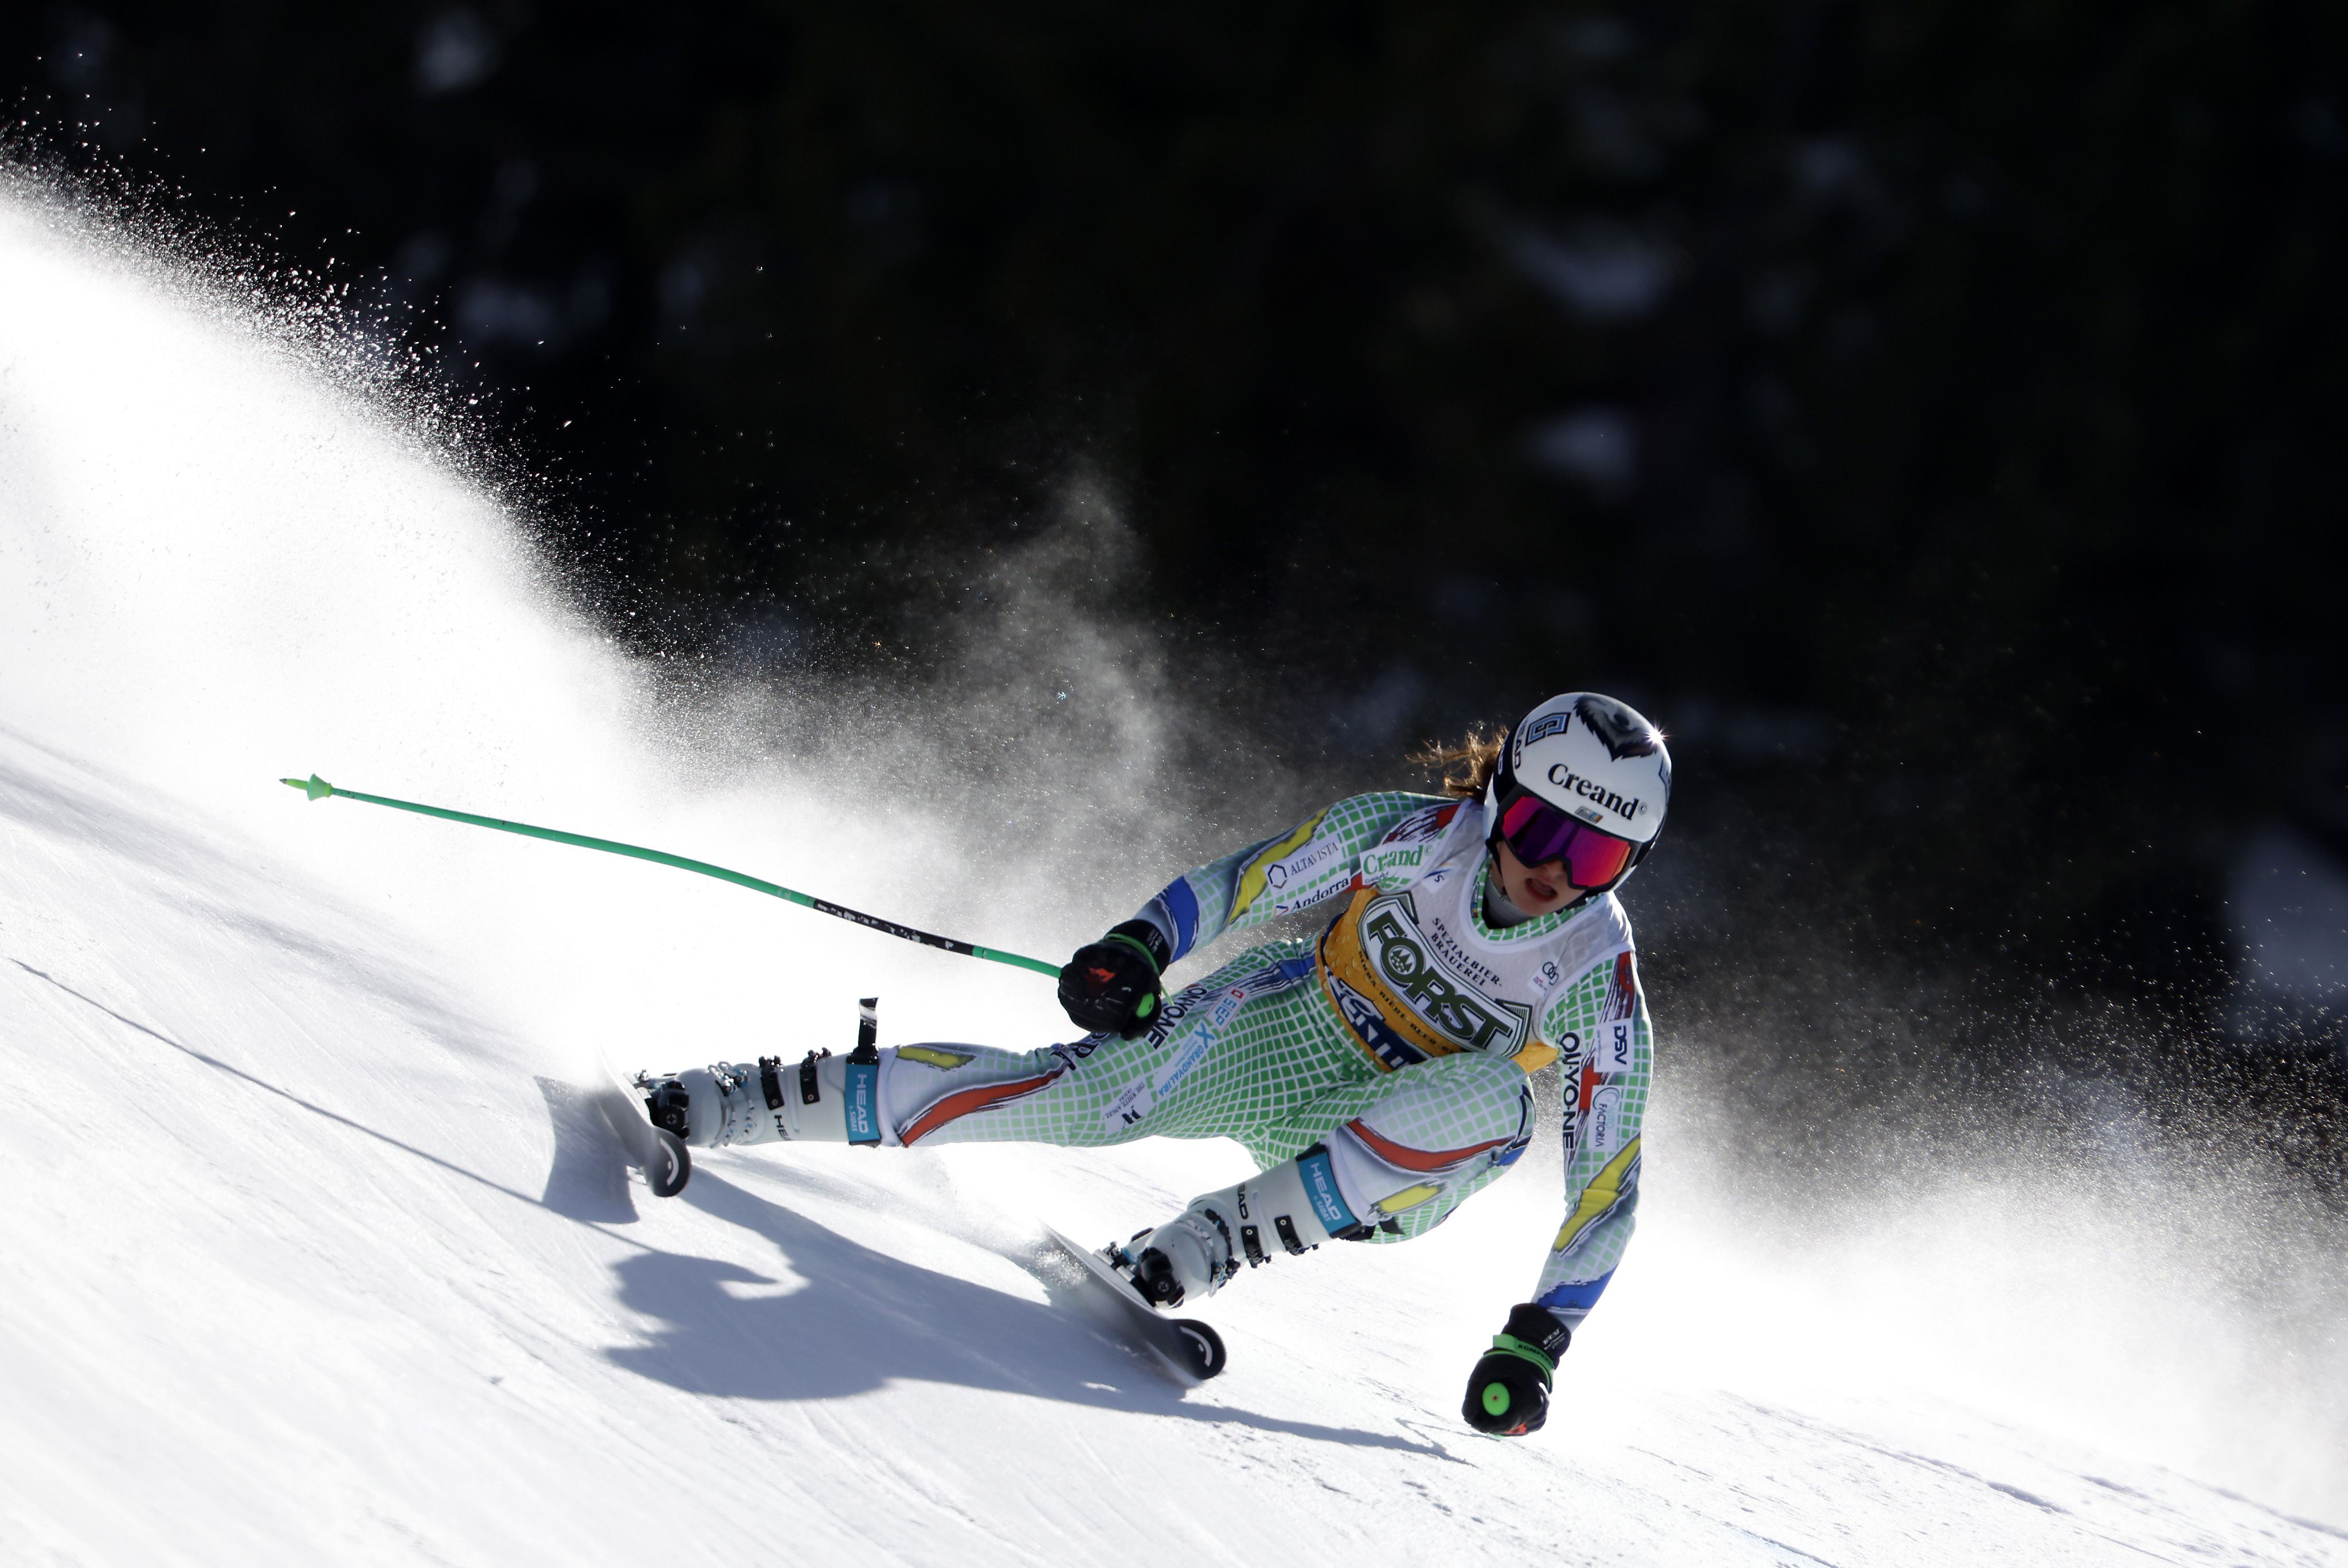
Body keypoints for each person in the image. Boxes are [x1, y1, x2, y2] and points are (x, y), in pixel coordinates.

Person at [644, 691, 1669, 1437]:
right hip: (1287, 1029)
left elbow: (1607, 1183)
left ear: (1627, 870)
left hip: (1392, 1154)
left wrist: (1540, 1334)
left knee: (1499, 1102)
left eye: (1594, 858)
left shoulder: (1594, 977)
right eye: (1540, 827)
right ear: (1499, 800)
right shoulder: (1409, 838)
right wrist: (1139, 947)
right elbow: (1247, 882)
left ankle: (1213, 1241)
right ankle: (739, 1104)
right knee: (1076, 1095)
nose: (1551, 870)